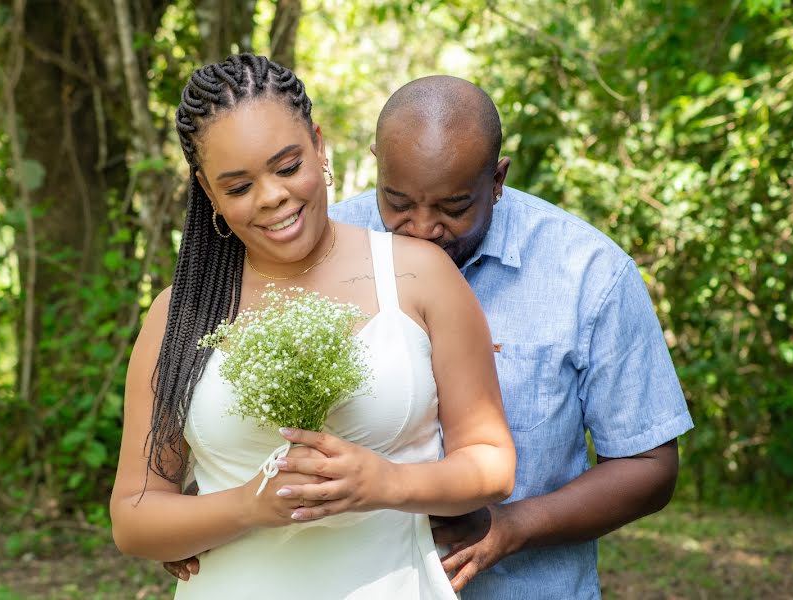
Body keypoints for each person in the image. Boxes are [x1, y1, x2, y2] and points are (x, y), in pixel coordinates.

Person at [163, 74, 694, 598]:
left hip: (528, 587)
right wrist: (204, 514)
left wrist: (513, 526)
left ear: (497, 180)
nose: (420, 228)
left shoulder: (589, 273)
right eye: (397, 201)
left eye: (452, 208)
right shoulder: (310, 248)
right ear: (376, 164)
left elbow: (649, 466)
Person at [110, 55, 516, 600]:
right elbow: (134, 517)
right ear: (208, 192)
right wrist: (248, 506)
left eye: (286, 166)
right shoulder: (178, 314)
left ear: (319, 146)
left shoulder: (419, 273)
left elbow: (492, 465)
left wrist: (387, 483)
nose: (272, 196)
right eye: (238, 187)